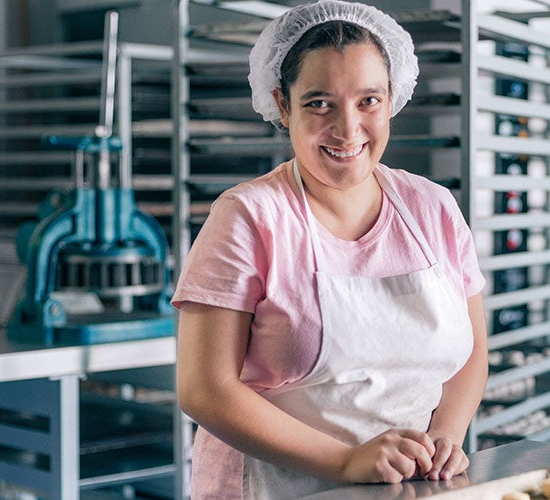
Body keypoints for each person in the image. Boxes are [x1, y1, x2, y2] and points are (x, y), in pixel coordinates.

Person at [172, 0, 489, 497]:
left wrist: (445, 436)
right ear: (282, 104)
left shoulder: (433, 207)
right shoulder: (249, 216)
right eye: (320, 102)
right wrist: (345, 461)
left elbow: (472, 353)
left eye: (368, 101)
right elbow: (205, 389)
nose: (347, 128)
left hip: (404, 487)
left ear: (392, 99)